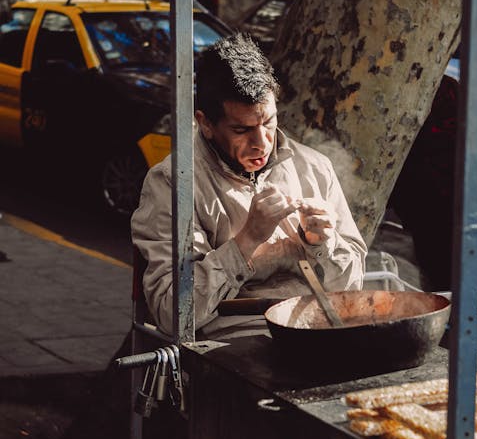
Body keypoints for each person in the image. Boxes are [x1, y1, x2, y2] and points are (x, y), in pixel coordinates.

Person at [131, 33, 367, 338]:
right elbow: (172, 313)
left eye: (268, 122)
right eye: (242, 129)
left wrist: (323, 245)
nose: (261, 143)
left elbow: (352, 288)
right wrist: (247, 242)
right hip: (237, 342)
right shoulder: (173, 184)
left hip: (317, 328)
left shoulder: (314, 168)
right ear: (205, 123)